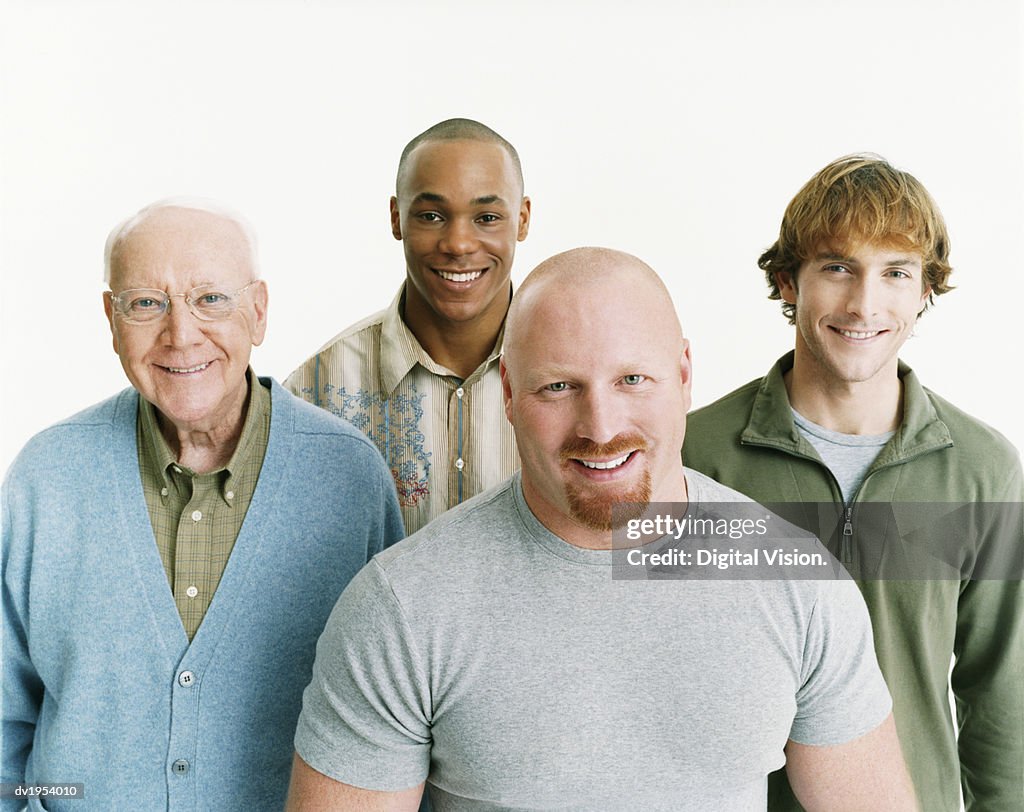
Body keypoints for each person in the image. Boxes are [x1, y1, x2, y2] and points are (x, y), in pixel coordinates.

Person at [284, 248, 917, 811]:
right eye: (559, 387)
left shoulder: (797, 586)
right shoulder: (402, 609)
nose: (601, 425)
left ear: (686, 375)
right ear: (507, 391)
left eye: (632, 380)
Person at [1, 200, 404, 810]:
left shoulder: (348, 477)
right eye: (146, 304)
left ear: (259, 311)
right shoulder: (46, 478)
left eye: (210, 298)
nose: (181, 334)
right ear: (111, 320)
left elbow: (396, 721)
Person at [683, 155, 1024, 811]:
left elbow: (1002, 698)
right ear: (788, 281)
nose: (865, 303)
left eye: (896, 273)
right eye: (838, 267)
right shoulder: (693, 456)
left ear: (926, 289)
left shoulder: (983, 471)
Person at [284, 118, 531, 534]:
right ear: (397, 218)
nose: (458, 244)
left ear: (522, 220)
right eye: (432, 216)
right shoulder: (315, 392)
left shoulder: (593, 380)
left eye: (487, 217)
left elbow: (660, 556)